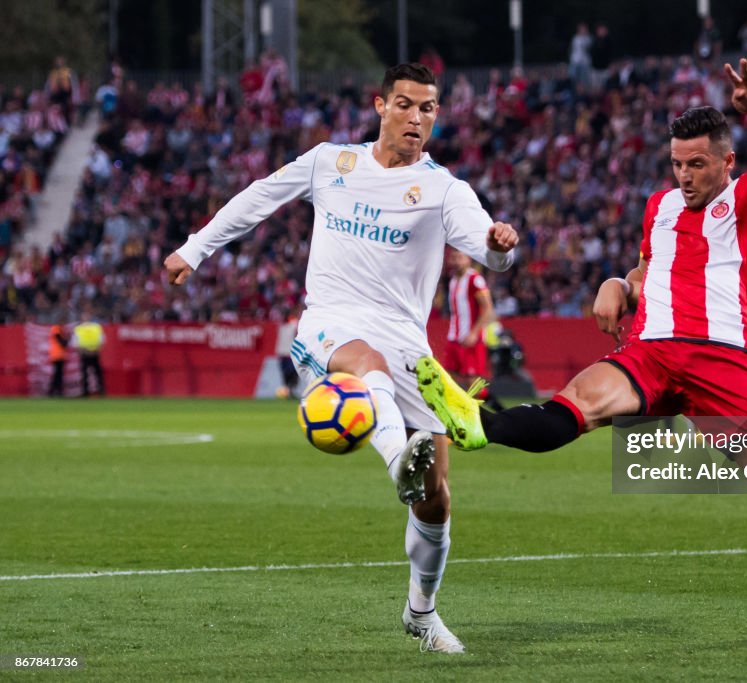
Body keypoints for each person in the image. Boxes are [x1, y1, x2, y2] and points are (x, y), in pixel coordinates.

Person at [416, 59, 747, 655]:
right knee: (574, 405)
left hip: (724, 363)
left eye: (697, 164)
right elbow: (646, 271)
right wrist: (620, 283)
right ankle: (478, 424)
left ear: (726, 161)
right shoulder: (658, 207)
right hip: (651, 353)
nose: (684, 176)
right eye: (677, 164)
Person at [163, 63, 519, 654]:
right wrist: (195, 248)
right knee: (367, 364)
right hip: (330, 325)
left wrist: (498, 245)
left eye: (427, 108)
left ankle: (421, 612)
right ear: (380, 105)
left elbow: (489, 250)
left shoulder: (444, 189)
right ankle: (395, 457)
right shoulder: (332, 162)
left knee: (437, 497)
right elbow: (261, 197)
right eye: (404, 104)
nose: (415, 117)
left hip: (410, 345)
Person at [445, 249, 502, 410]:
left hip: (470, 339)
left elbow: (488, 309)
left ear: (468, 259)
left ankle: (499, 411)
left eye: (460, 257)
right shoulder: (453, 280)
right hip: (454, 338)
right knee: (449, 381)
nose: (456, 261)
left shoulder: (475, 280)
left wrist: (474, 333)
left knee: (474, 386)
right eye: (453, 257)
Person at [72, 314, 106, 397]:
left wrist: (85, 351)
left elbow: (75, 343)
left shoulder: (80, 329)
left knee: (92, 374)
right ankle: (94, 391)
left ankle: (92, 392)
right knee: (93, 374)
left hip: (89, 353)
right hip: (90, 353)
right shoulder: (95, 327)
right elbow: (102, 340)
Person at [47, 323, 68, 397]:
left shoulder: (58, 329)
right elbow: (62, 343)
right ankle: (54, 391)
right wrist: (67, 339)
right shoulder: (56, 329)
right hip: (57, 355)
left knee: (58, 374)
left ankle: (54, 391)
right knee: (58, 375)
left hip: (58, 355)